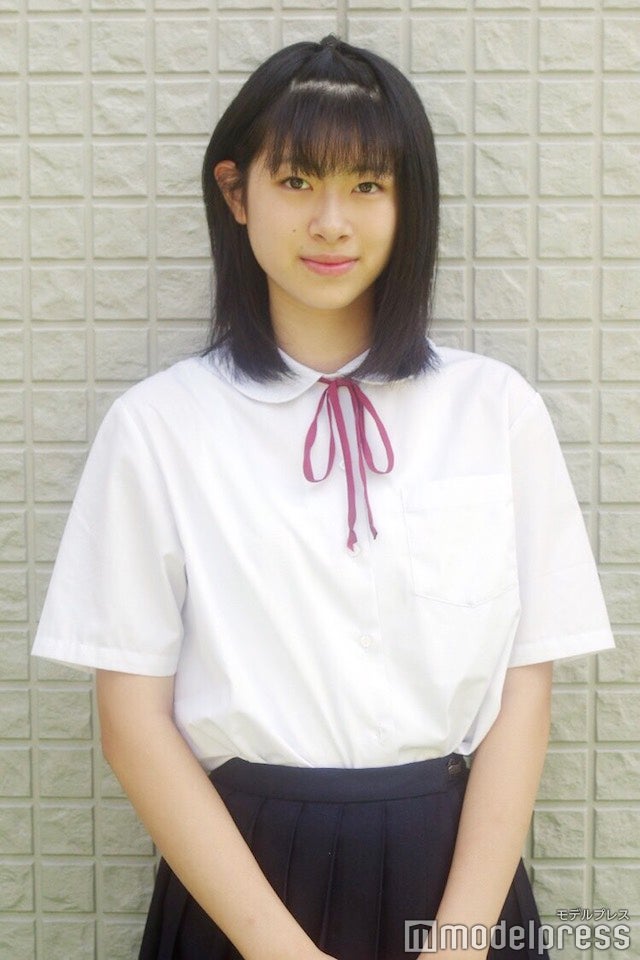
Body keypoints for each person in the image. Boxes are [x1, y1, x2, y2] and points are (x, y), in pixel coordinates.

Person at [32, 35, 615, 960]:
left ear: (408, 200)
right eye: (298, 181)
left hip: (457, 870)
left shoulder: (495, 411)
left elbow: (524, 690)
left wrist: (462, 938)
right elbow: (132, 722)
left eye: (367, 185)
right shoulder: (159, 427)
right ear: (236, 194)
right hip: (240, 886)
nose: (332, 223)